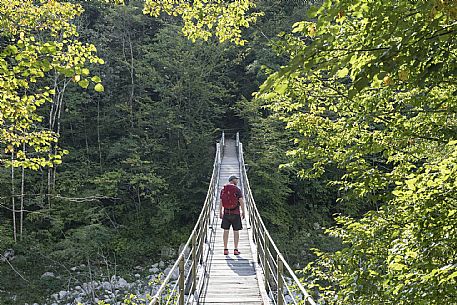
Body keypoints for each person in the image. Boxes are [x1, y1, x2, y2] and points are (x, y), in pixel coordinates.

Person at [219, 175, 245, 255]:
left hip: (226, 213)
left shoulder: (223, 190)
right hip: (236, 213)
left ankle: (225, 249)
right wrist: (243, 211)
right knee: (236, 231)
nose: (237, 181)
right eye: (236, 180)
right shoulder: (237, 190)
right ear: (233, 180)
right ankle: (236, 249)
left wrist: (220, 212)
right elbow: (241, 201)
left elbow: (221, 202)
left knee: (225, 231)